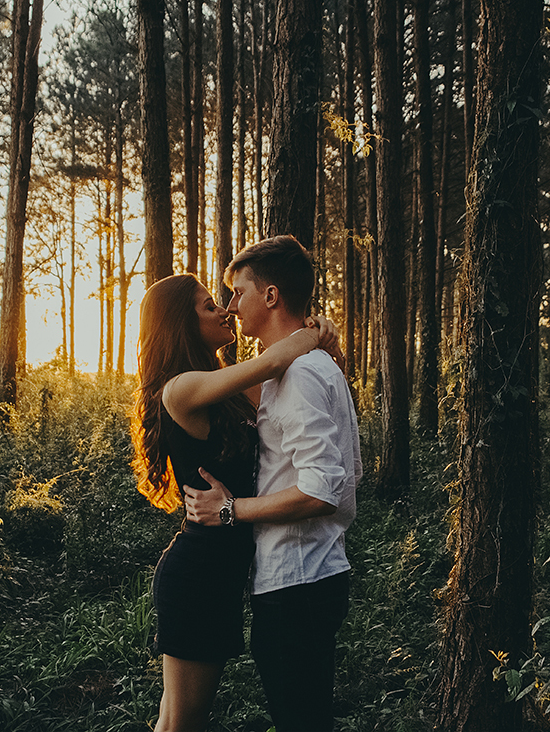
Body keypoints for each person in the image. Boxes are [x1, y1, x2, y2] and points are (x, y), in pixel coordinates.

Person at [130, 272, 338, 732]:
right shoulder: (181, 388)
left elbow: (287, 381)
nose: (225, 309)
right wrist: (313, 330)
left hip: (223, 576)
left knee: (173, 722)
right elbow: (272, 362)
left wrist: (323, 339)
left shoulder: (225, 391)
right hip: (198, 577)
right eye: (209, 306)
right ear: (182, 324)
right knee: (183, 724)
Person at [184, 235, 363, 732]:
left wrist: (230, 510)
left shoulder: (301, 375)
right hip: (303, 577)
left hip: (297, 582)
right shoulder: (300, 368)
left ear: (271, 296)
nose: (231, 306)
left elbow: (321, 488)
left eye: (238, 292)